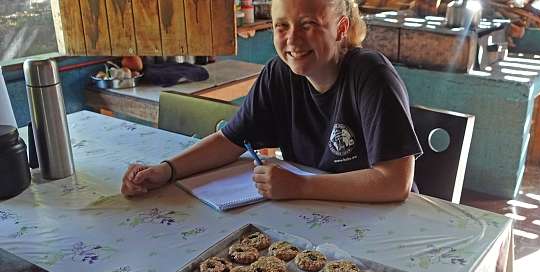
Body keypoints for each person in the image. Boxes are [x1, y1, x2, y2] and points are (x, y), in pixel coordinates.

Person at [121, 0, 422, 203]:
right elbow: (231, 140)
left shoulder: (370, 75)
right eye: (282, 26)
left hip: (382, 219)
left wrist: (301, 186)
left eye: (308, 25)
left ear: (341, 29)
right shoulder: (279, 73)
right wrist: (166, 170)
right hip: (317, 217)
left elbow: (394, 182)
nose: (292, 39)